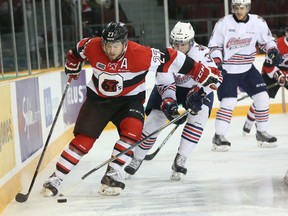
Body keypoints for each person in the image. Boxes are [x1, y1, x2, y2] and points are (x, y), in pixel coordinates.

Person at [40, 22, 221, 197]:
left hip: (128, 102)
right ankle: (56, 178)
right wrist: (72, 64)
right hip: (98, 102)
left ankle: (112, 174)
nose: (110, 50)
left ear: (124, 43)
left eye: (115, 45)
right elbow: (76, 51)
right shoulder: (92, 46)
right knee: (83, 141)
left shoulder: (140, 54)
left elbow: (173, 57)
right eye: (107, 45)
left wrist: (201, 73)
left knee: (132, 134)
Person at [124, 21, 219, 180]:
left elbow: (216, 78)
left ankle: (180, 159)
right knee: (155, 121)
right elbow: (165, 83)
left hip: (196, 90)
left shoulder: (202, 53)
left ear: (191, 42)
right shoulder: (165, 56)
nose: (178, 48)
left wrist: (201, 93)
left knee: (198, 119)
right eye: (175, 44)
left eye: (183, 45)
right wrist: (170, 104)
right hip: (171, 88)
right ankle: (137, 158)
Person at [207, 0, 282, 152]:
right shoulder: (223, 23)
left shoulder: (258, 22)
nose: (239, 11)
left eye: (242, 8)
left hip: (247, 68)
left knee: (262, 97)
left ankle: (261, 132)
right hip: (228, 70)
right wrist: (218, 62)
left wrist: (272, 50)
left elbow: (267, 41)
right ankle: (219, 137)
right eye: (236, 8)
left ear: (248, 8)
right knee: (229, 101)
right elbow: (214, 46)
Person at [242, 27, 288, 137]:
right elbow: (268, 67)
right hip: (272, 72)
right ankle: (249, 122)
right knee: (262, 98)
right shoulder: (276, 45)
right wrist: (279, 76)